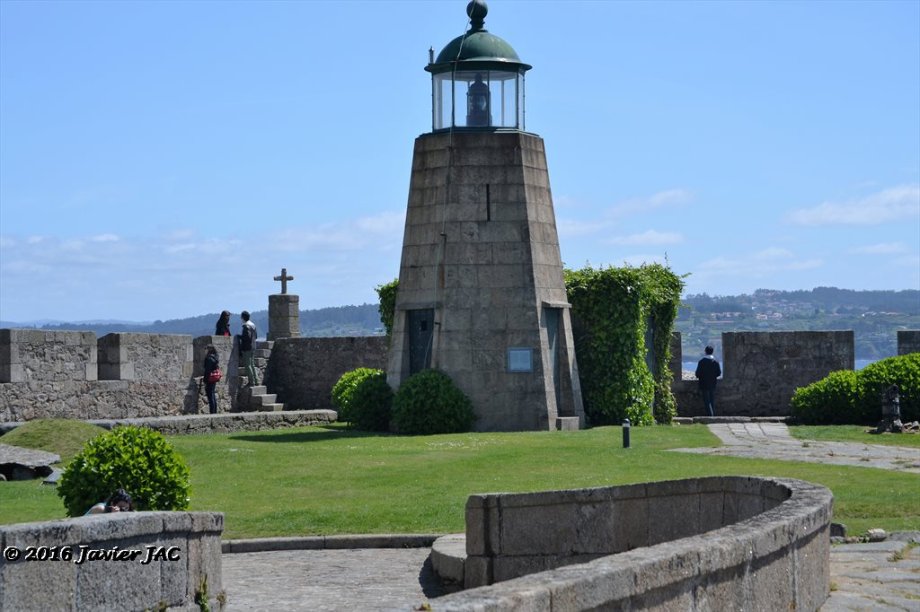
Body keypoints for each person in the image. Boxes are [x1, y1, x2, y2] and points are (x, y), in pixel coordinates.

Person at [695, 345, 722, 417]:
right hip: (713, 383)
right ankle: (712, 414)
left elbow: (697, 374)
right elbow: (719, 373)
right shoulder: (716, 362)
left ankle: (710, 415)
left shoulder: (701, 362)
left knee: (706, 400)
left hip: (703, 383)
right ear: (712, 352)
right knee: (712, 399)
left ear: (705, 352)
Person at [239, 311, 258, 386]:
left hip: (247, 348)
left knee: (247, 365)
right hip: (253, 347)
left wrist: (239, 337)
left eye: (241, 317)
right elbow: (255, 336)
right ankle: (256, 381)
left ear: (243, 317)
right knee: (252, 365)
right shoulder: (253, 325)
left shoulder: (246, 326)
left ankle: (251, 381)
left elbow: (247, 337)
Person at [203, 344, 221, 414]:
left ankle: (212, 412)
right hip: (214, 378)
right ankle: (214, 411)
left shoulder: (209, 358)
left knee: (210, 395)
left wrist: (205, 380)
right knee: (212, 394)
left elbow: (207, 370)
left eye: (206, 349)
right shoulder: (215, 357)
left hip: (209, 378)